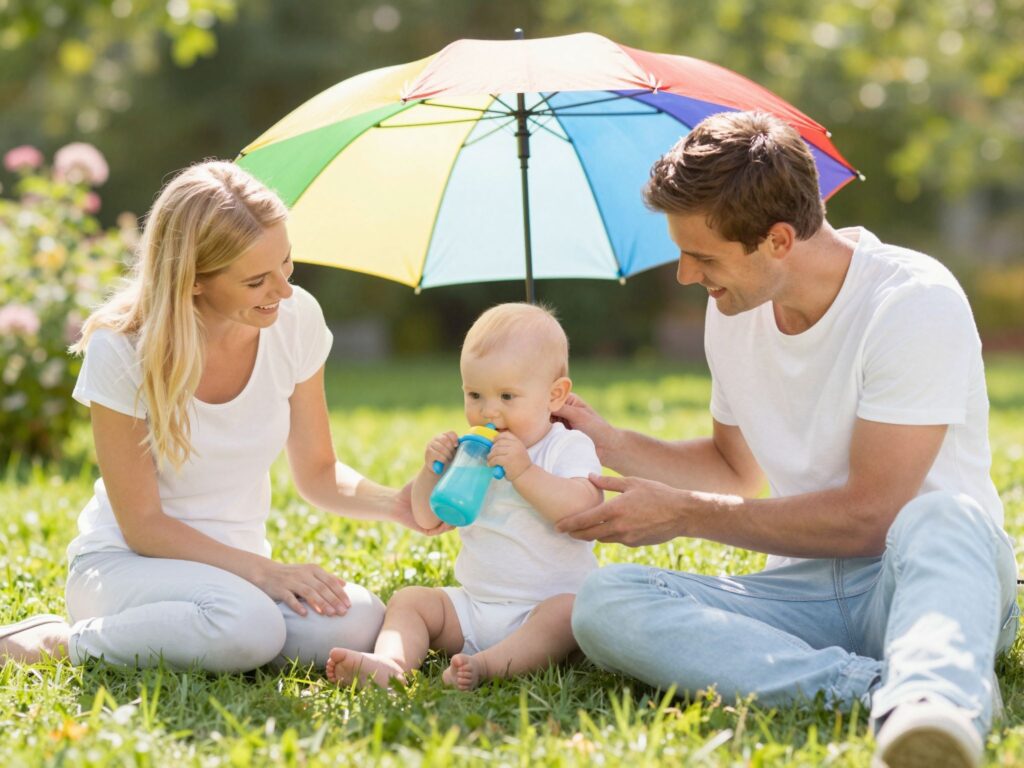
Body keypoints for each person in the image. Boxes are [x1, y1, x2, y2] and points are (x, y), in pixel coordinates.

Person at [554, 112, 1019, 768]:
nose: (686, 276)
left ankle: (933, 696)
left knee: (943, 516)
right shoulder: (733, 310)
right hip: (806, 591)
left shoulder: (912, 302)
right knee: (607, 601)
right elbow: (732, 468)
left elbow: (872, 517)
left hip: (929, 581)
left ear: (777, 240)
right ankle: (885, 694)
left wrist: (685, 515)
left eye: (703, 257)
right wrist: (608, 440)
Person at [0, 161, 442, 672]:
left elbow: (319, 471)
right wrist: (265, 573)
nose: (283, 291)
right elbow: (143, 526)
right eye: (256, 281)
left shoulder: (295, 319)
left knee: (358, 620)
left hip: (237, 576)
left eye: (287, 264)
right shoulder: (123, 348)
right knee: (247, 625)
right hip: (128, 565)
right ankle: (57, 642)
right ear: (192, 281)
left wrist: (396, 504)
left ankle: (220, 638)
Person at [325, 303, 603, 690]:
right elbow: (427, 518)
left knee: (569, 614)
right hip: (473, 606)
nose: (489, 411)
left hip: (540, 610)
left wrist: (525, 472)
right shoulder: (471, 454)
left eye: (507, 396)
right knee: (410, 601)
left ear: (554, 395)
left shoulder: (566, 447)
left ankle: (485, 666)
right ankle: (391, 663)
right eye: (475, 395)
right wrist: (431, 472)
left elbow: (585, 510)